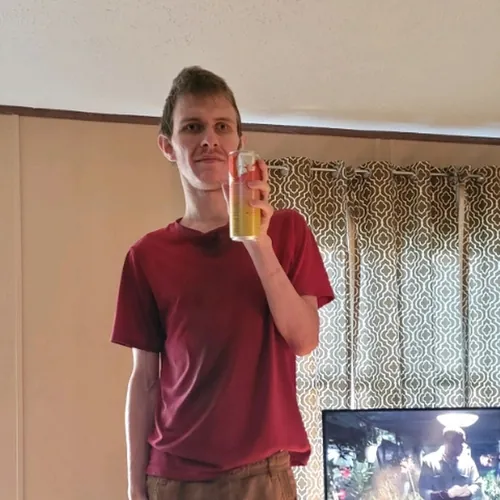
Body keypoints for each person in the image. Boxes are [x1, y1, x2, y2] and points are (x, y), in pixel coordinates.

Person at [110, 66, 334, 500]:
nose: (209, 139)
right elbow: (146, 380)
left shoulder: (286, 231)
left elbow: (304, 340)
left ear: (238, 143)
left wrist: (257, 242)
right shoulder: (146, 256)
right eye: (192, 127)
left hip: (262, 476)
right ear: (168, 146)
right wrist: (135, 487)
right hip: (172, 478)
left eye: (222, 127)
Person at [418, 427, 482, 500]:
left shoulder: (468, 462)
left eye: (463, 442)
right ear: (447, 441)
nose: (462, 446)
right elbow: (423, 489)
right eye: (459, 443)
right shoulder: (429, 461)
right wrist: (442, 495)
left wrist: (469, 491)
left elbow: (477, 483)